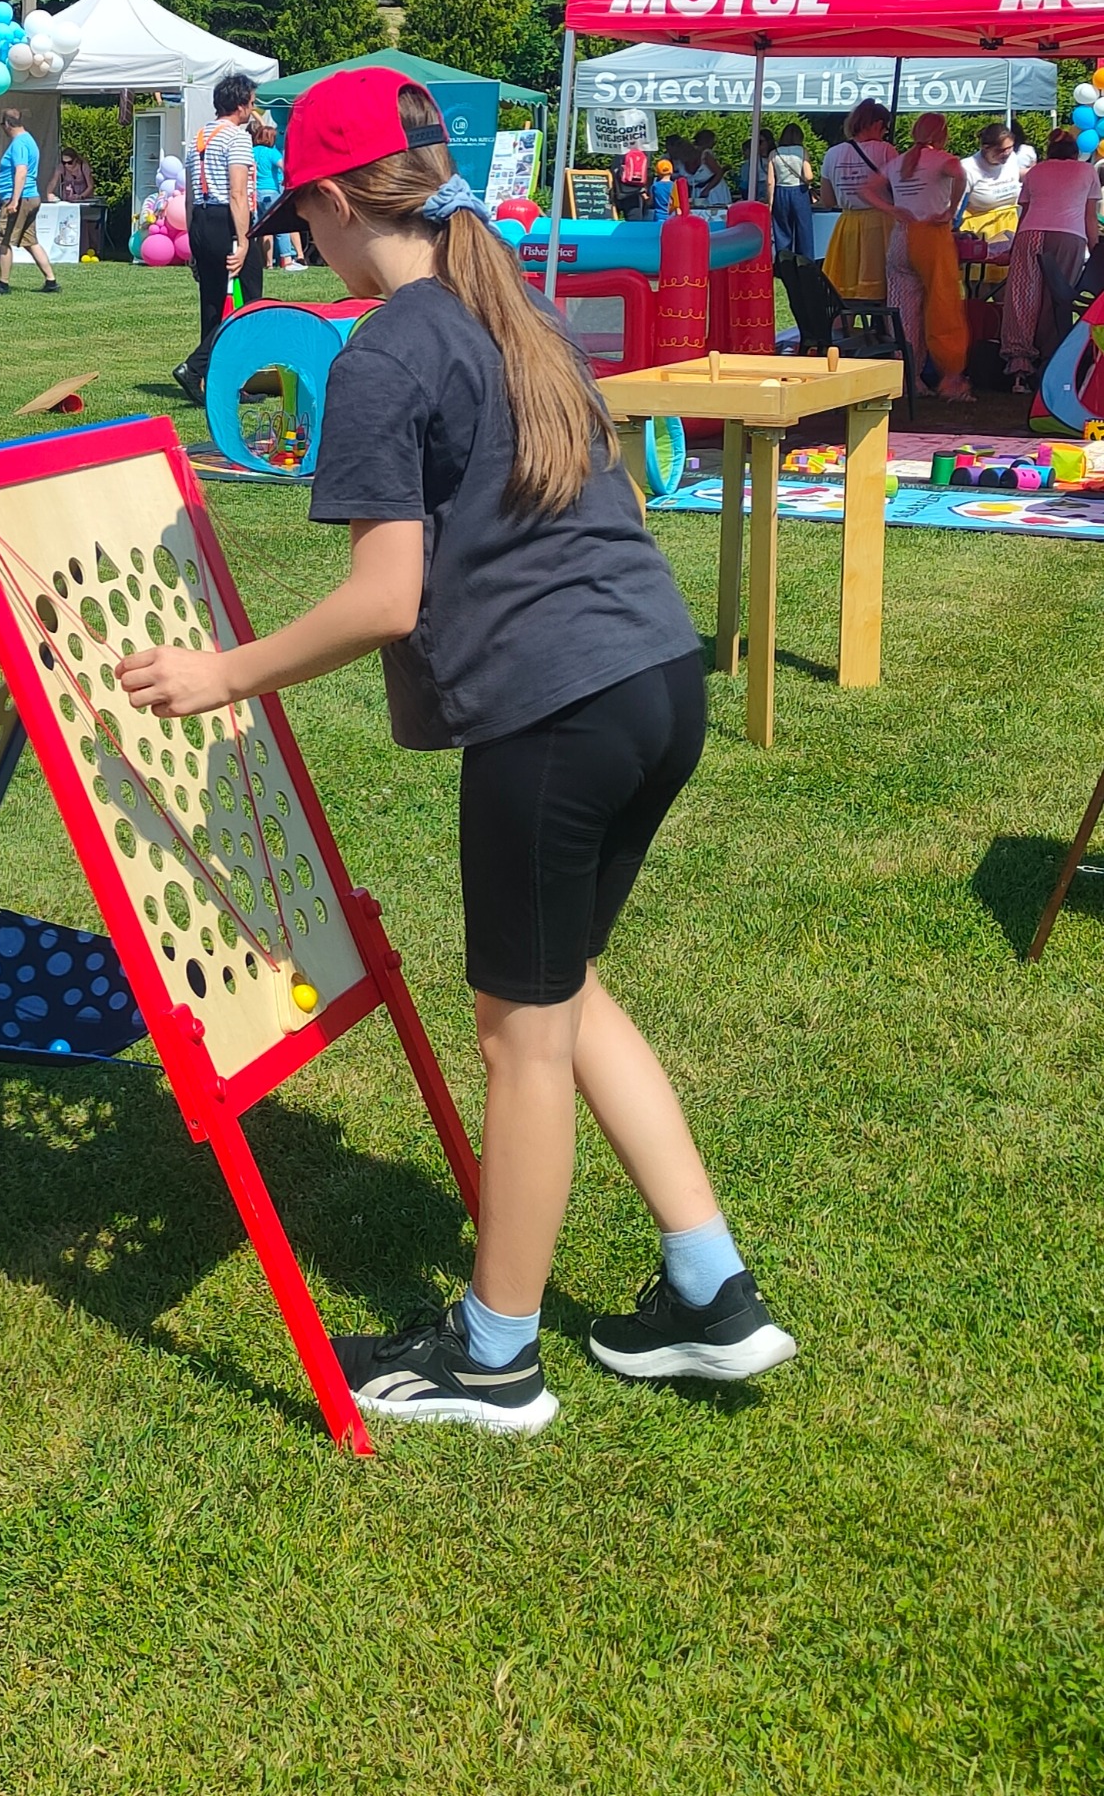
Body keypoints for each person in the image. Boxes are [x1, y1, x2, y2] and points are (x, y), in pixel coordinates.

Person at [116, 70, 795, 1434]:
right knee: (566, 990)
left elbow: (387, 600)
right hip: (657, 684)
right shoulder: (510, 303)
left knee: (520, 1036)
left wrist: (224, 675)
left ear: (319, 202)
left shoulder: (382, 350)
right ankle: (714, 1297)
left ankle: (495, 1356)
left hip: (560, 718)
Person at [863, 112, 972, 403]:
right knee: (942, 304)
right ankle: (950, 378)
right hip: (931, 236)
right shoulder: (942, 160)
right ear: (942, 133)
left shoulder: (898, 162)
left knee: (903, 310)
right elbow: (961, 174)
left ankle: (909, 376)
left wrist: (891, 209)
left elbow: (867, 189)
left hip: (901, 235)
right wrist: (950, 209)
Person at [173, 71, 263, 403]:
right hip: (229, 220)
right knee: (250, 303)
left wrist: (194, 244)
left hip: (201, 221)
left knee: (211, 304)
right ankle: (198, 369)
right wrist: (243, 241)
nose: (252, 109)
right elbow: (238, 193)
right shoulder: (238, 138)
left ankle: (210, 381)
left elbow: (189, 195)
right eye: (252, 102)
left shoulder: (199, 137)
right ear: (240, 104)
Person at [1001, 128, 1102, 392]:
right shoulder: (1087, 171)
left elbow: (1024, 213)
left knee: (1022, 299)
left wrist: (1013, 248)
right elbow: (1090, 217)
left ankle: (1019, 367)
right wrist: (1097, 251)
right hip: (1069, 236)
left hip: (1030, 233)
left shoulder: (1036, 171)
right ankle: (1051, 362)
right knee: (1057, 300)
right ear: (1074, 151)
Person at [819, 98, 898, 303]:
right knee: (882, 290)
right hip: (881, 225)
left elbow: (827, 200)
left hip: (847, 224)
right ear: (878, 125)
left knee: (844, 289)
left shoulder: (832, 154)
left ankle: (844, 331)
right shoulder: (886, 150)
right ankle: (881, 331)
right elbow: (900, 192)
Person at [0, 107, 57, 295]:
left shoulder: (19, 143)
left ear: (7, 124)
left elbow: (21, 172)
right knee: (30, 241)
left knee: (3, 240)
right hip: (30, 197)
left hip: (21, 199)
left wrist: (13, 201)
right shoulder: (29, 140)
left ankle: (3, 284)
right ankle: (51, 281)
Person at [958, 120, 1035, 259]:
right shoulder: (967, 168)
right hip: (983, 232)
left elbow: (1014, 175)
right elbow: (956, 205)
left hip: (1012, 227)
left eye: (1010, 147)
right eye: (1000, 150)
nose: (1006, 153)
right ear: (985, 147)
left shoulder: (1011, 158)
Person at [252, 110, 303, 270]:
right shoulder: (272, 152)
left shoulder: (252, 151)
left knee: (263, 229)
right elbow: (284, 167)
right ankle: (286, 260)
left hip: (255, 194)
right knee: (281, 228)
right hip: (271, 192)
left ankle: (268, 263)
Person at [767, 122, 815, 260]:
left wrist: (770, 203)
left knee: (782, 231)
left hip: (781, 191)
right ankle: (805, 263)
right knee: (804, 230)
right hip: (799, 191)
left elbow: (770, 181)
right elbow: (808, 176)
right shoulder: (802, 151)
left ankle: (784, 264)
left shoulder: (774, 153)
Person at [690, 131, 731, 210]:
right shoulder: (697, 153)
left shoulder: (706, 154)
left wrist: (707, 189)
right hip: (700, 188)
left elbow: (718, 172)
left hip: (712, 188)